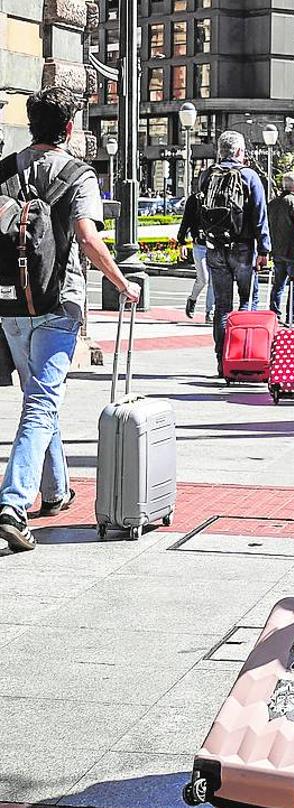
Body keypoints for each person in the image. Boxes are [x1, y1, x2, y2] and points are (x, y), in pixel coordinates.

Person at [0, 86, 141, 552]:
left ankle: (56, 490)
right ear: (68, 129)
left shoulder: (6, 171)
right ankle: (12, 504)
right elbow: (87, 237)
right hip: (60, 303)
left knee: (40, 395)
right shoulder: (78, 175)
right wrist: (122, 283)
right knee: (42, 401)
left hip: (10, 304)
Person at [198, 130, 271, 375]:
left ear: (220, 151)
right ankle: (245, 356)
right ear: (240, 152)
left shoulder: (207, 175)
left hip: (214, 247)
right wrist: (264, 249)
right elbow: (260, 215)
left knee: (222, 307)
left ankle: (222, 360)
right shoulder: (250, 176)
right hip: (243, 247)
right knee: (247, 302)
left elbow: (199, 209)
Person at [266, 171, 294, 325]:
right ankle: (292, 316)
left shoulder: (273, 203)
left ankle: (274, 314)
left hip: (277, 250)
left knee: (278, 285)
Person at [176, 186, 213, 323]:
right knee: (203, 278)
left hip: (216, 244)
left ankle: (210, 312)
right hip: (200, 244)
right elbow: (186, 221)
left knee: (214, 281)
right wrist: (182, 242)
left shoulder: (221, 196)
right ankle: (192, 299)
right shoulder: (195, 199)